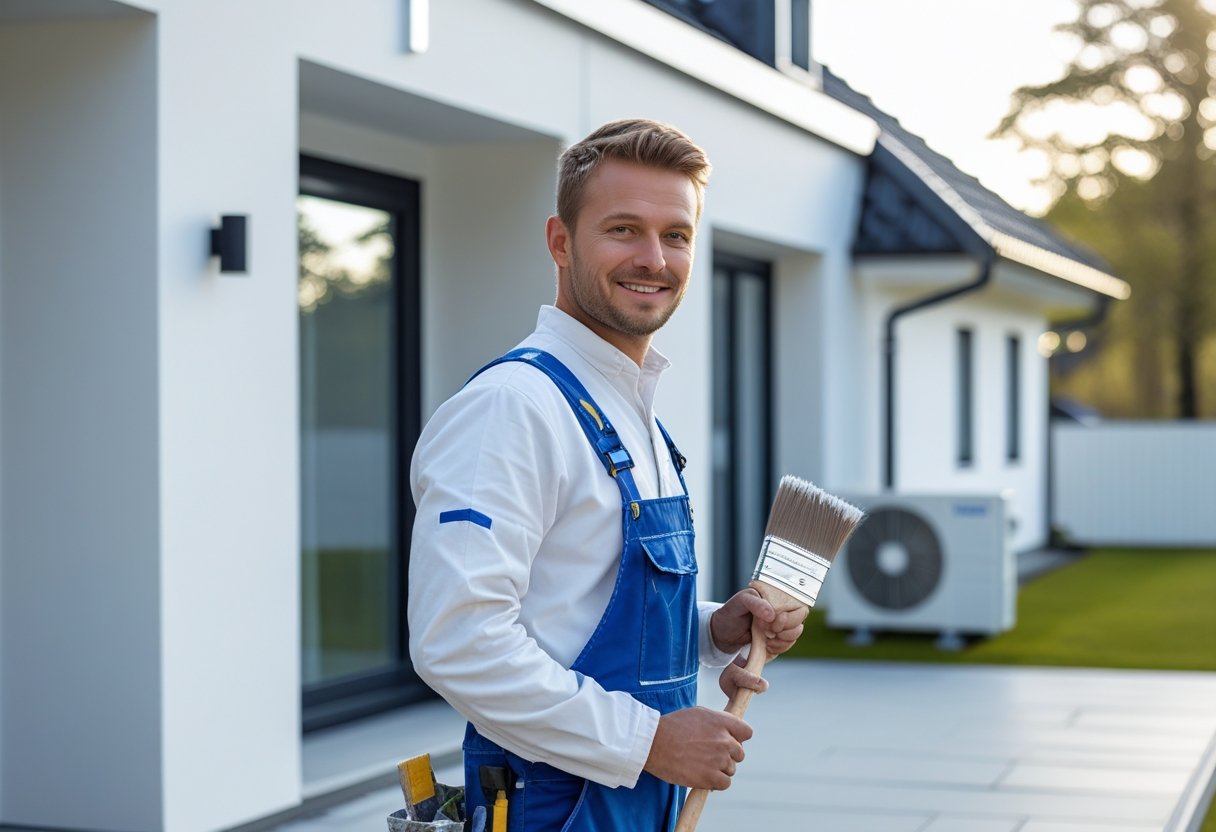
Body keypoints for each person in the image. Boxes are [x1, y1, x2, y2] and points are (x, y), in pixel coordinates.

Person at [407, 118, 807, 831]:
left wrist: (715, 631)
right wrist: (650, 740)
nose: (653, 258)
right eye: (623, 229)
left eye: (676, 234)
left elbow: (573, 611)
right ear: (560, 242)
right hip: (550, 807)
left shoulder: (636, 412)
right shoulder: (512, 409)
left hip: (641, 801)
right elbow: (458, 643)